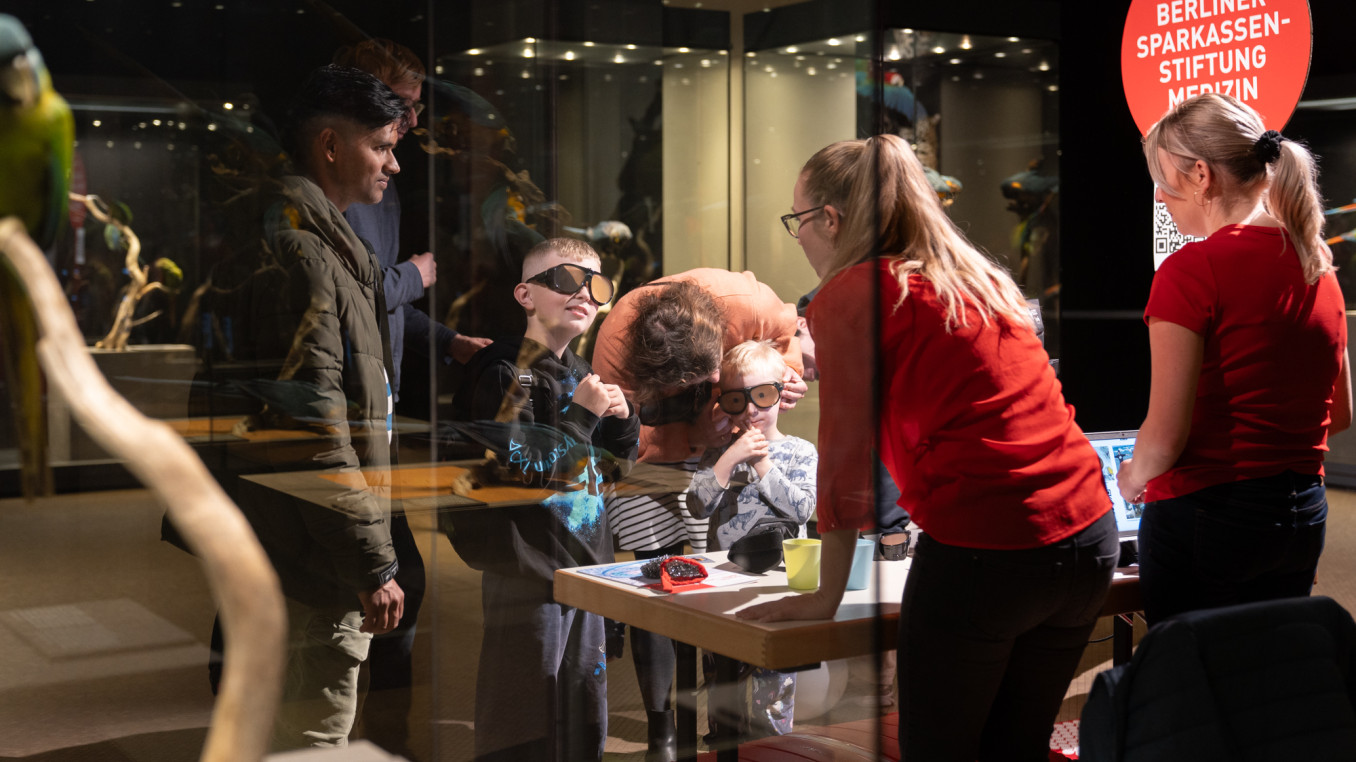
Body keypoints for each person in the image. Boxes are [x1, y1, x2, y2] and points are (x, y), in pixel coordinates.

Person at [738, 134, 1118, 762]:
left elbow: (845, 456)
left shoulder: (853, 292)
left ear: (829, 219)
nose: (798, 237)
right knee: (1017, 747)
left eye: (796, 219)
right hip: (1088, 536)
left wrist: (826, 596)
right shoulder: (979, 277)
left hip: (990, 548)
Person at [1116, 92, 1352, 627]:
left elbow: (1165, 437)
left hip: (1208, 516)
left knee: (1191, 671)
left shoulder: (1190, 270)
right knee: (1266, 669)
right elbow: (1339, 415)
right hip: (1302, 514)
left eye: (1163, 180)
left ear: (1201, 175)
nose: (1160, 197)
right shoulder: (1317, 264)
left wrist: (1130, 479)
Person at [233, 63, 408, 749]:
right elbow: (314, 426)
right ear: (331, 146)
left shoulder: (326, 243)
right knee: (316, 734)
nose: (393, 164)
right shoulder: (307, 252)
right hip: (315, 550)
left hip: (310, 537)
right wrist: (371, 562)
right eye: (382, 146)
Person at [332, 37, 487, 759]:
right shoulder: (331, 192)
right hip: (346, 418)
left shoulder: (382, 186)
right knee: (372, 578)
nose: (413, 126)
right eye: (402, 104)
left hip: (380, 412)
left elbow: (380, 305)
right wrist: (415, 277)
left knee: (399, 578)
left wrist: (448, 341)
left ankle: (382, 732)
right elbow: (356, 292)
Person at [591, 268, 806, 761]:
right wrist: (693, 435)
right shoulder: (615, 350)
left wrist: (787, 373)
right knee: (656, 581)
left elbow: (786, 331)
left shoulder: (745, 299)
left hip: (723, 445)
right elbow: (617, 442)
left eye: (712, 371)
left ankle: (726, 716)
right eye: (698, 379)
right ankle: (662, 726)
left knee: (720, 569)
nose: (711, 380)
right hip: (651, 455)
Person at [440, 237, 639, 762]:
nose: (585, 294)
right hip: (529, 571)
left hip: (584, 567)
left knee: (584, 712)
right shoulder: (504, 372)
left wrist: (622, 424)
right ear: (525, 294)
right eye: (567, 279)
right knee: (522, 717)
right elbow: (519, 473)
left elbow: (609, 475)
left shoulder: (580, 374)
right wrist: (581, 418)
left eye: (597, 285)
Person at [690, 340, 816, 741]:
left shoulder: (800, 452)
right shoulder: (718, 453)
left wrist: (762, 463)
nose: (750, 410)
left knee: (774, 683)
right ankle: (724, 744)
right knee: (722, 683)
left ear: (781, 393)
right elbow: (697, 505)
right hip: (722, 582)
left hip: (776, 583)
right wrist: (729, 458)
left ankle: (772, 747)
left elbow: (802, 509)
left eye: (762, 396)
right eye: (736, 400)